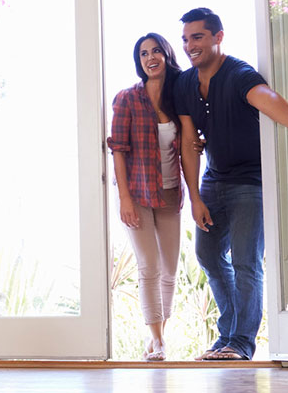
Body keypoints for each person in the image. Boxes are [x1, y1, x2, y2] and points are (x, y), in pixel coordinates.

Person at [173, 8, 288, 361]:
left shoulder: (238, 73)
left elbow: (265, 96)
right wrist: (195, 196)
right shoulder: (184, 84)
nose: (190, 45)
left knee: (246, 261)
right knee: (209, 256)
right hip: (214, 179)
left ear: (217, 37)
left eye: (197, 37)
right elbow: (187, 141)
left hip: (250, 182)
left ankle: (240, 343)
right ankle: (228, 335)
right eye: (185, 39)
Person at [107, 32, 188, 361]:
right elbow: (118, 151)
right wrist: (125, 198)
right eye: (143, 54)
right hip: (136, 192)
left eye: (156, 51)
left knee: (169, 268)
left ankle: (159, 335)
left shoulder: (180, 97)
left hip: (169, 191)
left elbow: (194, 138)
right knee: (149, 266)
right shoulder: (127, 98)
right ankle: (156, 340)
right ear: (139, 62)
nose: (150, 57)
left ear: (167, 55)